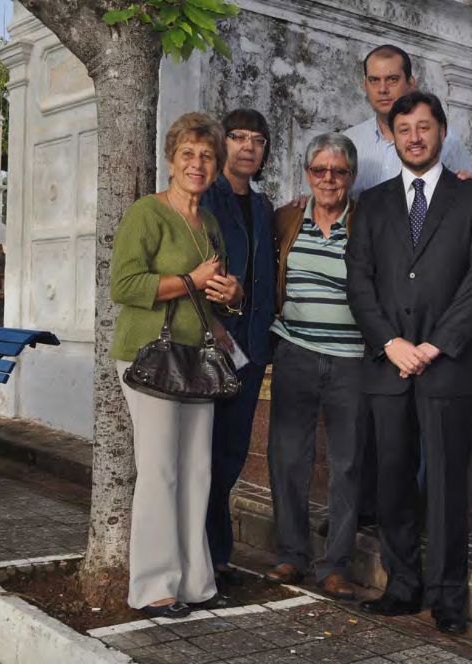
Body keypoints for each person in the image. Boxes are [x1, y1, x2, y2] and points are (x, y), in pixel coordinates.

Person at [345, 92, 472, 634]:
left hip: (449, 367)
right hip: (388, 366)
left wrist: (433, 345)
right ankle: (403, 587)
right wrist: (390, 342)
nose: (415, 136)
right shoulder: (374, 203)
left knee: (445, 487)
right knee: (391, 483)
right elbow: (359, 280)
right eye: (404, 128)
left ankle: (448, 599)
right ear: (392, 135)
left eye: (425, 127)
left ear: (441, 131)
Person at [110, 112, 243, 619]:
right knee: (161, 471)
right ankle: (153, 587)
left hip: (199, 358)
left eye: (207, 155)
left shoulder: (207, 222)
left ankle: (195, 580)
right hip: (150, 356)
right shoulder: (148, 212)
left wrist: (230, 293)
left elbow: (214, 290)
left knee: (197, 472)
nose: (198, 163)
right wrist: (189, 278)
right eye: (188, 153)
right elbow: (124, 287)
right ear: (171, 159)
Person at [265, 133, 364, 601]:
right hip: (295, 354)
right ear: (307, 174)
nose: (329, 178)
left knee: (347, 465)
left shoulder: (367, 223)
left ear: (351, 177)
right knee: (288, 458)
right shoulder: (286, 218)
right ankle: (291, 554)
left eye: (339, 170)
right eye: (320, 170)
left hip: (353, 361)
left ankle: (335, 565)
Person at [200, 109, 276, 588]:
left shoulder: (266, 207)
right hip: (211, 344)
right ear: (223, 143)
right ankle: (205, 550)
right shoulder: (207, 198)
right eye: (238, 137)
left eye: (257, 139)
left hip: (251, 349)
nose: (248, 146)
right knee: (202, 452)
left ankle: (216, 547)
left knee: (231, 453)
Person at [343, 44, 472, 196]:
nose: (382, 89)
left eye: (392, 79)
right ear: (365, 85)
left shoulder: (446, 140)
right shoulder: (349, 142)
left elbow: (468, 195)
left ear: (411, 83)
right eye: (374, 80)